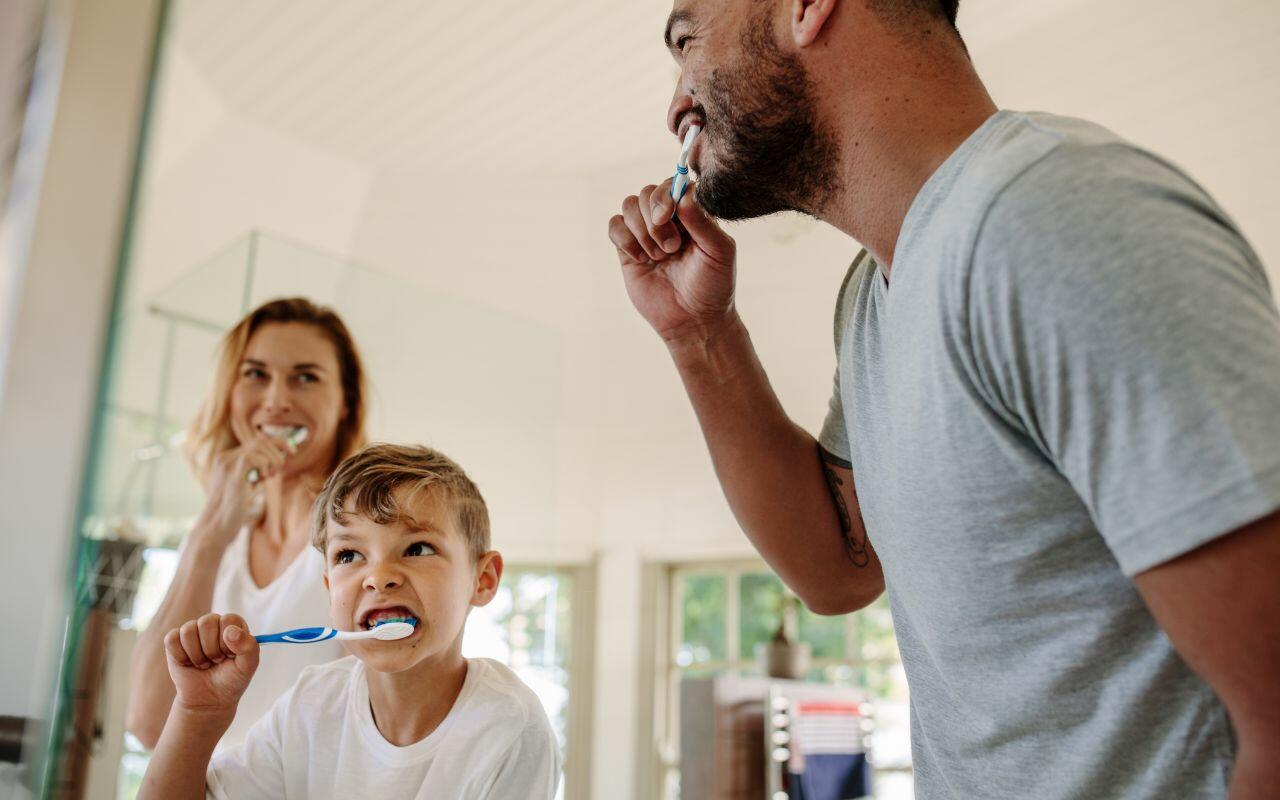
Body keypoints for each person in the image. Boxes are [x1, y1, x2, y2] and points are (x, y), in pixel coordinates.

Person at [607, 1, 1280, 797]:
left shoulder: (1055, 219)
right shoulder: (874, 294)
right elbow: (840, 568)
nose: (676, 100)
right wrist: (699, 336)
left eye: (689, 41)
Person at [136, 443, 561, 800]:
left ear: (482, 580)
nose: (378, 576)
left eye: (417, 548)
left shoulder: (507, 726)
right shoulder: (311, 705)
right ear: (329, 588)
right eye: (349, 555)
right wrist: (199, 713)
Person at [126, 298, 369, 751]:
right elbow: (147, 723)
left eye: (305, 377)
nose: (276, 401)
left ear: (344, 403)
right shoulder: (215, 542)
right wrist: (210, 534)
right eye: (256, 374)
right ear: (230, 393)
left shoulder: (361, 540)